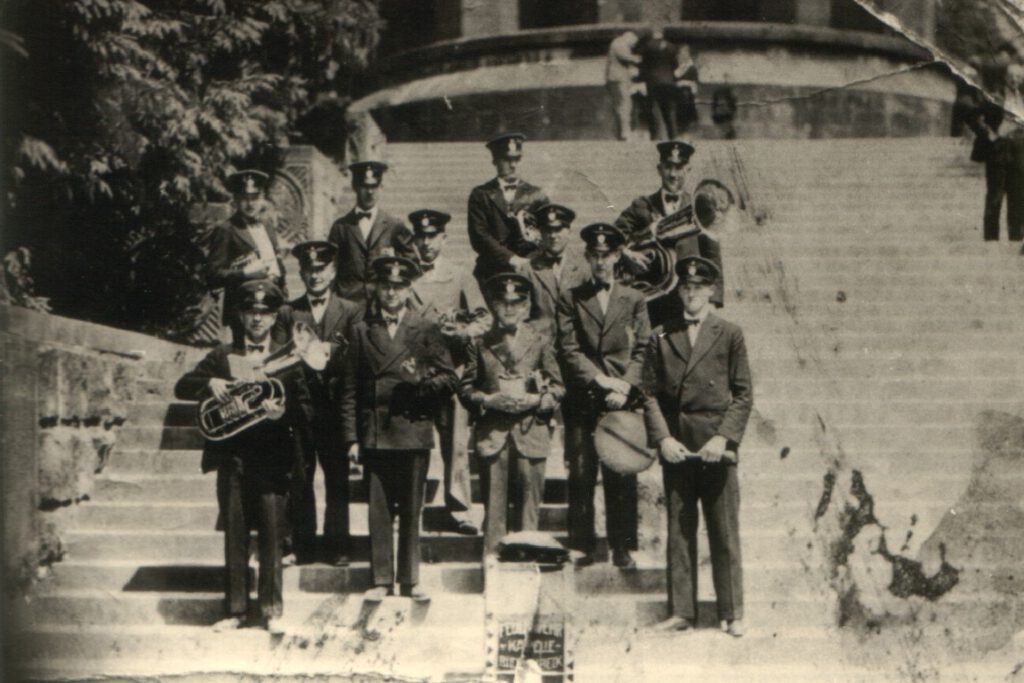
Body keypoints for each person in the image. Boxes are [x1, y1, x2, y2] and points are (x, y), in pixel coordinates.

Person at [174, 280, 308, 635]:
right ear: (242, 315)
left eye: (264, 313)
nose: (258, 320)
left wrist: (282, 413)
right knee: (235, 534)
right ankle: (234, 609)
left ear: (274, 316)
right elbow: (182, 385)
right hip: (233, 459)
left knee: (271, 536)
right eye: (251, 313)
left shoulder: (287, 357)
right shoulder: (223, 354)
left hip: (273, 459)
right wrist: (210, 386)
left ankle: (271, 611)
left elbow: (307, 408)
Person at [641, 257, 752, 636]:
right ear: (680, 291)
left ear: (710, 291)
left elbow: (743, 393)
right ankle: (682, 612)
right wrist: (663, 439)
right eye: (685, 288)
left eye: (698, 288)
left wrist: (723, 438)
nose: (691, 294)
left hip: (716, 447)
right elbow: (649, 395)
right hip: (679, 448)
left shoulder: (730, 333)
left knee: (723, 531)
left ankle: (733, 612)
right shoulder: (660, 335)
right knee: (680, 531)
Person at [340, 255, 458, 603]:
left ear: (409, 289)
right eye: (386, 286)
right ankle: (380, 580)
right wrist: (351, 438)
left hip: (412, 429)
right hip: (375, 432)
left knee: (410, 510)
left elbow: (449, 377)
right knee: (378, 511)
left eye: (399, 287)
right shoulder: (362, 331)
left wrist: (421, 387)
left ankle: (410, 579)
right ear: (376, 289)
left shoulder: (425, 328)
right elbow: (349, 390)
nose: (392, 294)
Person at [556, 223, 650, 569]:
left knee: (622, 470)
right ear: (587, 257)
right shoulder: (571, 298)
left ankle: (622, 546)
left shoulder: (634, 299)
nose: (600, 262)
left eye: (606, 255)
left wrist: (624, 386)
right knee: (581, 472)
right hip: (585, 397)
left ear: (617, 256)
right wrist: (600, 381)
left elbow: (643, 349)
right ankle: (582, 544)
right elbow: (568, 349)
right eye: (594, 256)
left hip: (621, 398)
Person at [460, 273, 564, 555]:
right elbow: (466, 389)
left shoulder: (540, 340)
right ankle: (494, 575)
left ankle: (527, 570)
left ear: (526, 306)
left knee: (529, 516)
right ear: (494, 305)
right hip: (494, 435)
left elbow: (557, 387)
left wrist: (536, 400)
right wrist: (489, 400)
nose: (510, 309)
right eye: (504, 303)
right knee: (494, 516)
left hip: (530, 432)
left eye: (516, 303)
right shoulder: (480, 342)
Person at [274, 241, 363, 566]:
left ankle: (338, 545)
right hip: (300, 410)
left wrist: (328, 350)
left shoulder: (350, 310)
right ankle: (303, 545)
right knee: (300, 479)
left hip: (335, 409)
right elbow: (281, 356)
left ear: (333, 271)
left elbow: (352, 349)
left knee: (337, 479)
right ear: (302, 273)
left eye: (322, 269)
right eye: (310, 270)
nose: (316, 276)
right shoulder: (289, 312)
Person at [407, 208, 489, 536]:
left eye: (433, 237)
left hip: (451, 372)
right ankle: (410, 508)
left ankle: (461, 508)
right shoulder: (406, 276)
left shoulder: (460, 275)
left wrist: (464, 332)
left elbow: (484, 318)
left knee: (455, 442)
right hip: (415, 374)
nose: (426, 244)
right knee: (413, 441)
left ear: (444, 238)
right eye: (421, 237)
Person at [614, 141, 725, 325]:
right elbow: (613, 235)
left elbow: (713, 257)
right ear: (659, 169)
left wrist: (713, 301)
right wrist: (626, 253)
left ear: (688, 169)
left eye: (679, 167)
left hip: (689, 299)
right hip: (652, 303)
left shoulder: (701, 207)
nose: (673, 174)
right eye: (668, 167)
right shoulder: (642, 205)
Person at [207, 170, 287, 343]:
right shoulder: (226, 229)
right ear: (235, 200)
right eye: (244, 198)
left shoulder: (267, 225)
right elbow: (213, 274)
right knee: (243, 362)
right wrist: (244, 273)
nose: (250, 204)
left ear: (262, 199)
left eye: (255, 198)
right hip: (244, 309)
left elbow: (277, 262)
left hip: (273, 304)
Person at [467, 133, 550, 288]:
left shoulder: (537, 195)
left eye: (517, 159)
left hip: (529, 269)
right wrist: (510, 258)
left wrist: (530, 260)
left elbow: (547, 232)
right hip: (491, 271)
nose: (513, 165)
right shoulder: (480, 194)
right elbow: (479, 236)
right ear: (495, 161)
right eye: (507, 159)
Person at [328, 160, 415, 305]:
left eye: (374, 186)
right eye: (364, 186)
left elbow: (411, 262)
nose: (370, 192)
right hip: (348, 304)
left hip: (383, 304)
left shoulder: (394, 225)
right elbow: (330, 267)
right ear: (354, 187)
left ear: (381, 187)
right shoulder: (341, 227)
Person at [524, 203, 589, 334]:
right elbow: (523, 316)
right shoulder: (528, 267)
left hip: (578, 344)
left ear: (569, 231)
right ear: (540, 232)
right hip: (542, 344)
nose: (553, 236)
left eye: (558, 229)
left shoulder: (585, 265)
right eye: (547, 230)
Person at [970, 98, 1024, 242]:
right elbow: (972, 115)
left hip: (1020, 150)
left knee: (1018, 197)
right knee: (995, 196)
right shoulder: (993, 93)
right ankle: (991, 240)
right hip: (996, 150)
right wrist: (987, 132)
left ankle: (1016, 238)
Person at [638, 29, 680, 141]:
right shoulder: (671, 46)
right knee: (669, 109)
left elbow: (643, 65)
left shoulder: (647, 46)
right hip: (669, 81)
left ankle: (654, 136)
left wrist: (641, 79)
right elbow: (675, 65)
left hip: (653, 82)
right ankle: (673, 135)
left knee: (652, 108)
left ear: (653, 34)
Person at [606, 30, 642, 141]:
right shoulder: (620, 43)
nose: (634, 46)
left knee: (624, 104)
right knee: (625, 105)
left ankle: (625, 131)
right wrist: (642, 58)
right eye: (633, 44)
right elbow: (627, 57)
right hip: (619, 78)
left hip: (619, 78)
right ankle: (625, 132)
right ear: (629, 38)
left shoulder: (618, 43)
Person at [674, 44, 699, 135]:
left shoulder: (692, 68)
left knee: (686, 118)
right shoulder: (677, 68)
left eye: (685, 53)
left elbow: (695, 84)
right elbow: (674, 79)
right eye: (681, 53)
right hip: (676, 95)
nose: (683, 55)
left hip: (687, 97)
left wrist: (685, 83)